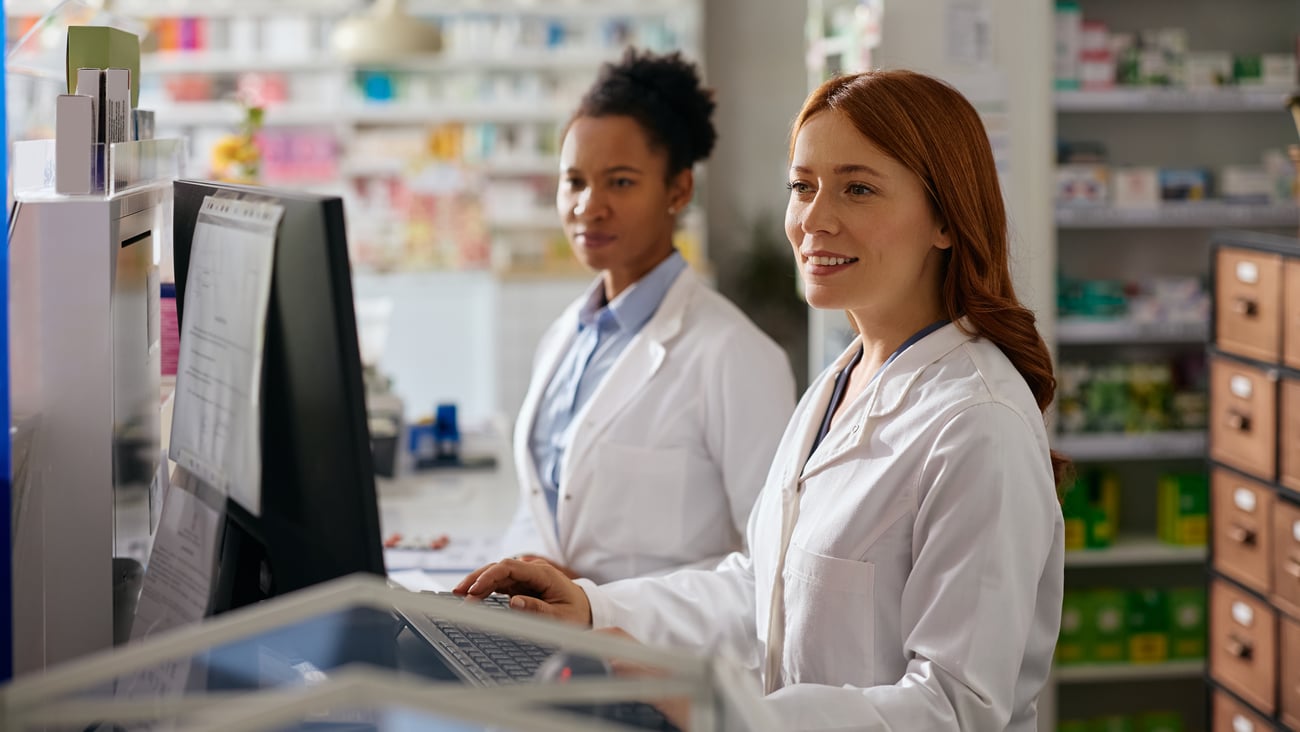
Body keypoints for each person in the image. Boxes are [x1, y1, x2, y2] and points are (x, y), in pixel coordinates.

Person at [459, 68, 1069, 731]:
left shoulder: (978, 424)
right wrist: (594, 610)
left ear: (946, 220)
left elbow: (955, 709)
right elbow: (763, 587)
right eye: (802, 187)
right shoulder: (841, 383)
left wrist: (720, 709)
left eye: (857, 189)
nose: (813, 219)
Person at [498, 49, 796, 585]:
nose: (589, 206)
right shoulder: (566, 338)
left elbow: (774, 571)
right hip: (552, 640)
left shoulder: (736, 356)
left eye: (620, 182)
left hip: (657, 657)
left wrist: (606, 606)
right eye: (574, 182)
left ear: (678, 190)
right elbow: (544, 507)